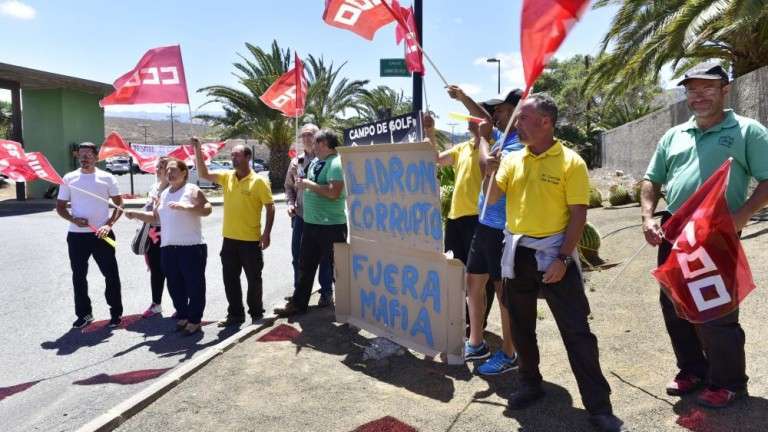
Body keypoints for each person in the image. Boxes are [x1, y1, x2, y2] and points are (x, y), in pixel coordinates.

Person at [485, 94, 624, 432]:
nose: (516, 124)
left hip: (554, 253)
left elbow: (578, 214)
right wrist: (487, 170)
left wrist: (563, 258)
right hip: (517, 253)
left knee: (577, 332)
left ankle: (599, 407)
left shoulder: (570, 162)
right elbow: (492, 197)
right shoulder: (512, 159)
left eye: (523, 118)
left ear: (545, 122)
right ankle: (530, 383)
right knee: (521, 326)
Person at [641, 64, 768, 409]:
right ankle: (693, 369)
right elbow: (652, 179)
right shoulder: (674, 135)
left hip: (716, 233)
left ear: (725, 90)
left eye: (707, 88)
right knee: (674, 304)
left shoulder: (747, 131)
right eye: (692, 89)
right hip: (674, 230)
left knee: (716, 309)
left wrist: (742, 215)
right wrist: (648, 216)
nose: (698, 96)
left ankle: (729, 383)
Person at [193, 138, 275, 326]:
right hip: (229, 240)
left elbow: (270, 207)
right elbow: (204, 173)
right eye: (232, 156)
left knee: (254, 279)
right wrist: (197, 149)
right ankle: (235, 315)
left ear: (248, 157)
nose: (233, 159)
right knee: (230, 279)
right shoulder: (227, 176)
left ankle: (256, 313)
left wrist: (267, 233)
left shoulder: (259, 182)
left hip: (250, 241)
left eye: (237, 155)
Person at [126, 158, 212, 335]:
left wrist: (187, 208)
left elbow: (207, 209)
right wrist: (136, 214)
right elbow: (156, 218)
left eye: (174, 170)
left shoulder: (192, 189)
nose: (169, 173)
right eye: (168, 171)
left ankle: (195, 320)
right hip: (168, 248)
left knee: (194, 285)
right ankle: (183, 314)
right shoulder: (164, 194)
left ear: (184, 173)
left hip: (191, 246)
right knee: (174, 285)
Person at [275, 129, 347, 316]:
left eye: (315, 142)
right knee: (305, 266)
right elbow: (300, 182)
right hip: (311, 223)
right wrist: (301, 184)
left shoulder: (336, 163)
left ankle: (348, 308)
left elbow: (334, 192)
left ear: (323, 144)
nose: (311, 145)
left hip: (331, 226)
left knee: (338, 268)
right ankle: (298, 304)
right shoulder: (315, 161)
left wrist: (308, 185)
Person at [56, 142, 124, 329]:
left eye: (88, 154)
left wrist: (108, 225)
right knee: (78, 276)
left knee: (111, 275)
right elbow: (60, 207)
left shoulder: (107, 178)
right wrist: (73, 219)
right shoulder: (69, 178)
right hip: (77, 236)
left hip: (101, 235)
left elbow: (119, 204)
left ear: (96, 157)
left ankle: (116, 313)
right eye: (81, 154)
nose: (84, 158)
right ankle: (84, 314)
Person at [285, 123, 334, 307]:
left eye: (310, 134)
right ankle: (299, 293)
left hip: (322, 218)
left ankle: (326, 292)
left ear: (318, 137)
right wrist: (290, 204)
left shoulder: (326, 160)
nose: (306, 138)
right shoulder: (296, 162)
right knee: (297, 256)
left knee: (324, 257)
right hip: (301, 216)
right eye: (303, 135)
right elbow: (288, 187)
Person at [142, 157, 170, 318]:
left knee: (172, 270)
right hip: (153, 233)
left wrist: (158, 205)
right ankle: (156, 304)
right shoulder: (154, 187)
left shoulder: (173, 189)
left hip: (169, 232)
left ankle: (181, 306)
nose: (158, 170)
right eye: (157, 167)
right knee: (155, 270)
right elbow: (148, 209)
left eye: (162, 167)